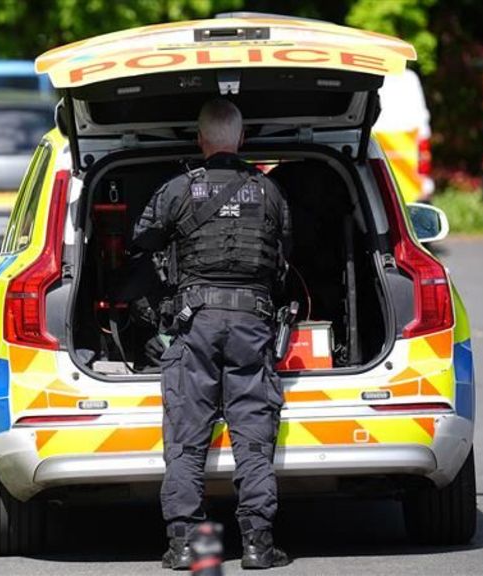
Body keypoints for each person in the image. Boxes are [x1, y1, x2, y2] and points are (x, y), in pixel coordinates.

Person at [132, 99, 292, 570]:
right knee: (254, 434)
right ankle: (258, 545)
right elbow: (285, 258)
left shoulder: (177, 190)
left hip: (195, 323)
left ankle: (186, 545)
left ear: (200, 139)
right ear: (241, 139)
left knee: (186, 437)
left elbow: (141, 242)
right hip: (253, 324)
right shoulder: (270, 192)